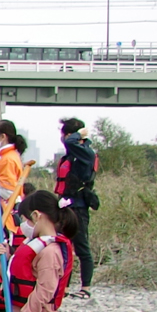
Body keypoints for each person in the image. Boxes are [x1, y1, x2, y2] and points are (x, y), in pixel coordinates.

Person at [54, 117, 99, 295]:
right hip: (65, 204)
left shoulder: (85, 153)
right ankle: (64, 286)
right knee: (64, 245)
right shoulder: (72, 154)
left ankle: (85, 287)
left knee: (81, 246)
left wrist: (78, 134)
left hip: (79, 206)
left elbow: (71, 141)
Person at [0, 119, 29, 229]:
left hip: (4, 214)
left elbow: (7, 192)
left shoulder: (7, 159)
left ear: (3, 137)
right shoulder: (5, 156)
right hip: (1, 211)